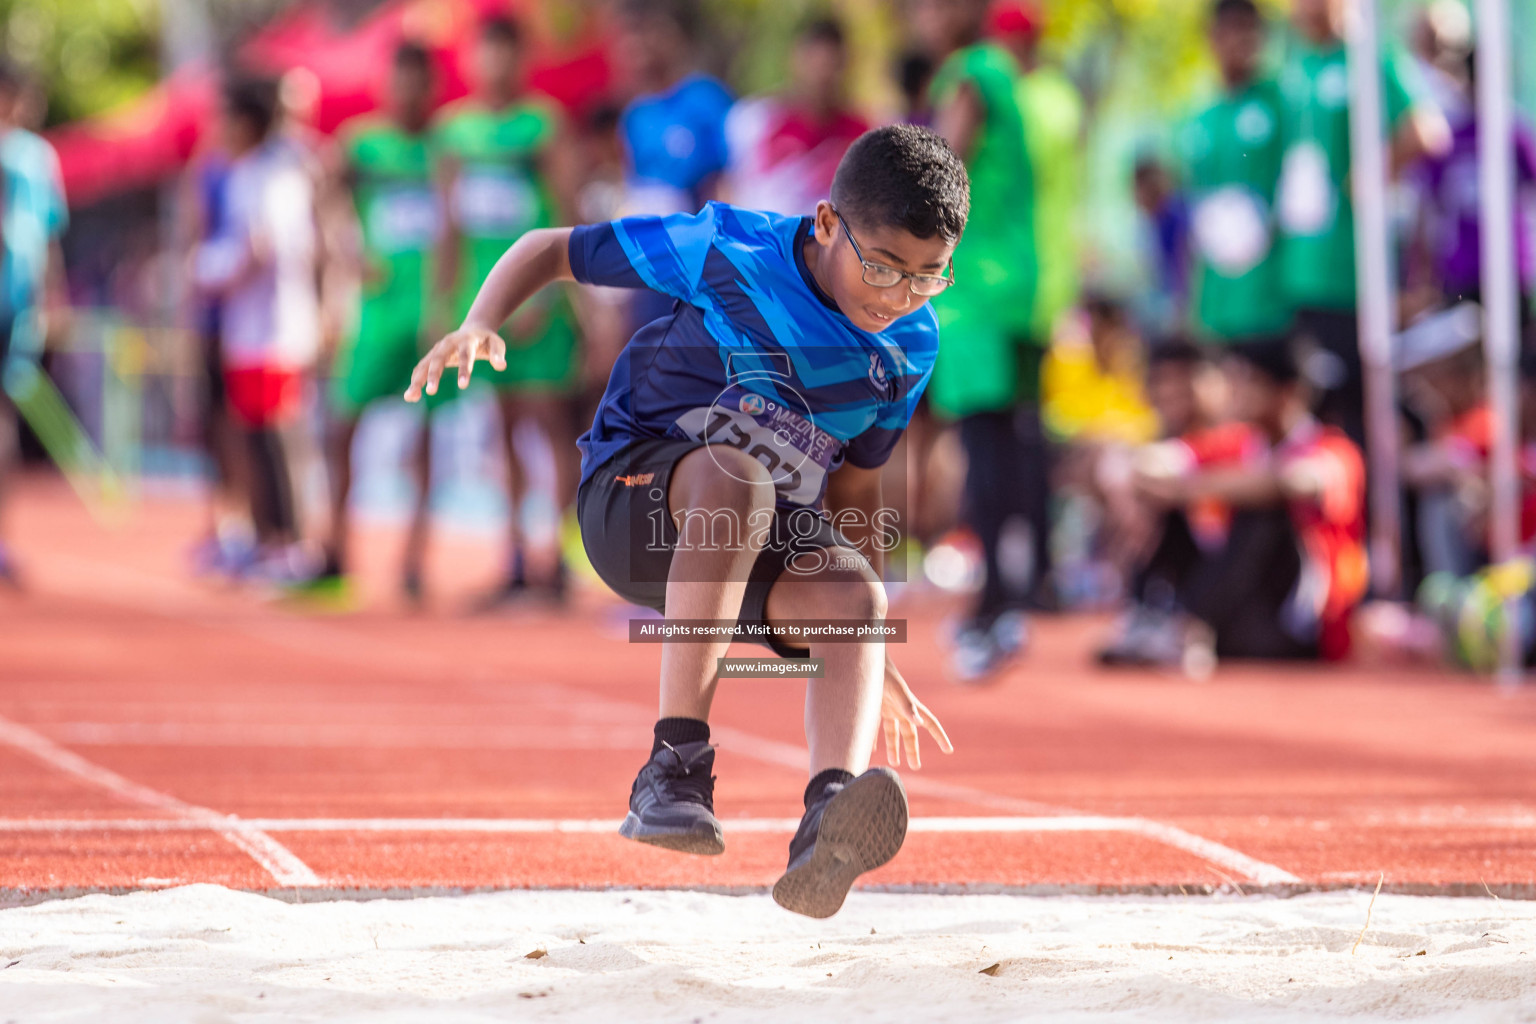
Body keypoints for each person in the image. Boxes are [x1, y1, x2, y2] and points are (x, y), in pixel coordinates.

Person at [405, 124, 960, 918]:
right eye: (880, 266)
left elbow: (858, 491)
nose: (896, 296)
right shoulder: (727, 246)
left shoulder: (911, 343)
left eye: (927, 277)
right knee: (737, 479)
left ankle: (826, 822)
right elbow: (551, 246)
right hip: (634, 504)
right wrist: (479, 320)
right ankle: (674, 767)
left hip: (755, 539)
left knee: (858, 601)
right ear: (828, 221)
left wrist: (866, 644)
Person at [915, 0, 1045, 681]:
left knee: (986, 443)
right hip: (1015, 282)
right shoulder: (1003, 71)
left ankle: (997, 605)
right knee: (1012, 442)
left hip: (977, 290)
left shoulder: (967, 73)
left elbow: (936, 172)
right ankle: (1011, 593)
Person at [434, 16, 581, 604]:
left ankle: (562, 556)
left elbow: (570, 217)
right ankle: (518, 558)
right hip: (484, 311)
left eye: (505, 52)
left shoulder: (544, 124)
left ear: (523, 57)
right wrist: (451, 307)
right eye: (484, 52)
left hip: (540, 309)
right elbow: (449, 227)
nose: (494, 64)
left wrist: (548, 294)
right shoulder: (455, 130)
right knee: (502, 430)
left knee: (553, 431)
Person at [1109, 338, 1369, 669]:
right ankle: (1151, 616)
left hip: (1302, 628)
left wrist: (1185, 489)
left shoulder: (1334, 450)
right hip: (1243, 614)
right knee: (1170, 504)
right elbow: (1150, 462)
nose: (1236, 391)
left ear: (1289, 393)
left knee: (1262, 508)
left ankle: (1190, 629)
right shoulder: (1237, 444)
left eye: (1249, 381)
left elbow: (1290, 482)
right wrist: (1138, 493)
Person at [1275, 0, 1449, 449]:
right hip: (1303, 273)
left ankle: (1389, 508)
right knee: (1324, 409)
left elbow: (1426, 130)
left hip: (1355, 273)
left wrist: (1371, 174)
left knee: (1366, 408)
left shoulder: (1374, 58)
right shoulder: (1297, 68)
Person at [314, 41, 444, 603]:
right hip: (375, 310)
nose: (408, 91)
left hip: (432, 310)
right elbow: (323, 193)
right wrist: (344, 252)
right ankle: (334, 548)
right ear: (385, 84)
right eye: (399, 79)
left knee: (429, 435)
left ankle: (414, 558)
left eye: (418, 81)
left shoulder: (446, 148)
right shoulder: (360, 144)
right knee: (342, 426)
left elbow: (457, 225)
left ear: (431, 87)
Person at [193, 74, 322, 581]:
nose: (218, 128)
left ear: (246, 121)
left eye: (225, 117)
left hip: (275, 330)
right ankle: (270, 540)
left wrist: (207, 268)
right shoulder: (251, 171)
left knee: (278, 436)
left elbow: (259, 247)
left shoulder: (269, 176)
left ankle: (293, 544)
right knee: (253, 435)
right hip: (250, 330)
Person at [613, 0, 734, 330]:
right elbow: (633, 187)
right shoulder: (636, 115)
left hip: (702, 252)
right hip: (652, 256)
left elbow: (727, 177)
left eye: (658, 33)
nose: (647, 44)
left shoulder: (707, 98)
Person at [1176, 0, 1291, 344]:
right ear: (1212, 38)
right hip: (1216, 302)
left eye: (1249, 30)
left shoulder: (1281, 102)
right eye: (1231, 30)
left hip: (1271, 299)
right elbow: (1193, 217)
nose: (1241, 41)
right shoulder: (1197, 121)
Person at [0, 59, 68, 587]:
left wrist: (54, 297)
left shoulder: (36, 157)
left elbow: (49, 234)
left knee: (3, 420)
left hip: (14, 308)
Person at [722, 17, 868, 217]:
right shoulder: (755, 121)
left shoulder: (863, 135)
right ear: (795, 59)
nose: (822, 74)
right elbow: (730, 189)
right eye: (814, 62)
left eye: (830, 64)